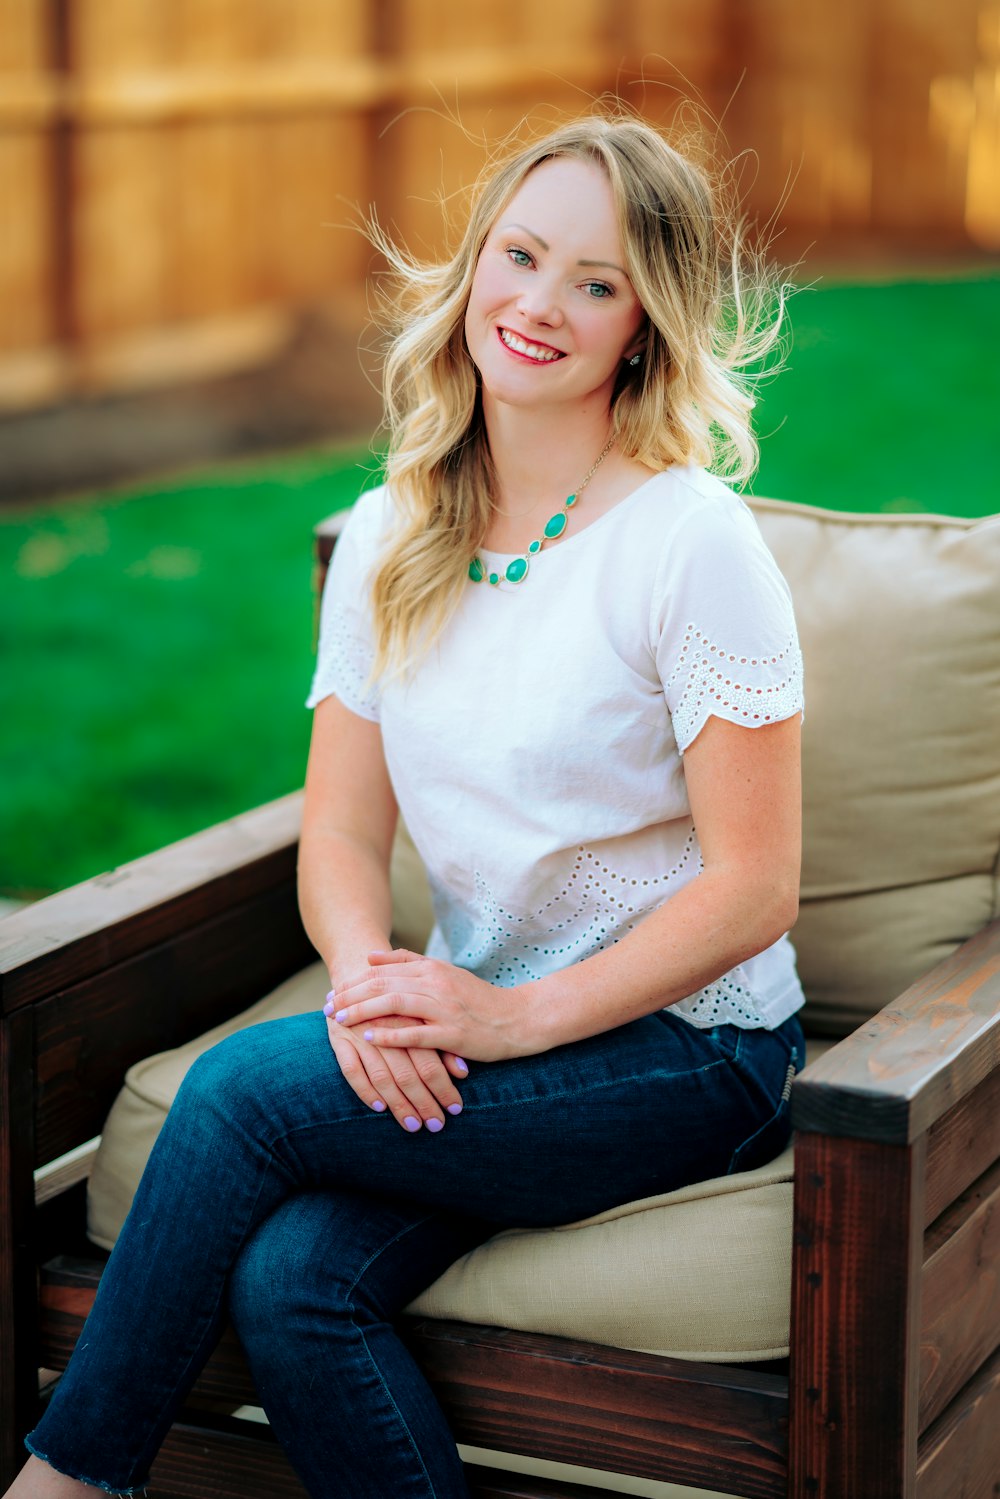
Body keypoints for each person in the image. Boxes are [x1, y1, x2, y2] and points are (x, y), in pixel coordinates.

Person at [9, 111, 805, 1499]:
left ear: (647, 324)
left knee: (242, 1093)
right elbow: (341, 830)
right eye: (522, 255)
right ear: (475, 263)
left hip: (687, 1049)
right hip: (468, 1016)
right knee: (295, 1280)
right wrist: (373, 981)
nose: (540, 305)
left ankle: (65, 1484)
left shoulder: (691, 543)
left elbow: (754, 890)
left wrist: (512, 1017)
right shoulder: (393, 531)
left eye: (597, 282)